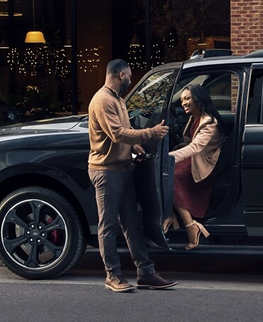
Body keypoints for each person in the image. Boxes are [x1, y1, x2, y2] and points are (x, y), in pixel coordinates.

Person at [88, 58, 177, 293]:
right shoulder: (104, 100)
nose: (130, 79)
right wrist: (150, 133)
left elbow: (121, 136)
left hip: (122, 168)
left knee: (132, 223)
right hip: (106, 171)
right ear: (120, 74)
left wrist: (134, 146)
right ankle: (112, 276)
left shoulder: (117, 99)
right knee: (108, 225)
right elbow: (117, 134)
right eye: (129, 75)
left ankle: (146, 272)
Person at [167, 84, 225, 250]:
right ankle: (170, 215)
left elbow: (196, 147)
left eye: (187, 98)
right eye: (182, 99)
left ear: (198, 99)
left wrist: (168, 157)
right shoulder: (194, 117)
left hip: (205, 165)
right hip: (194, 159)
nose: (183, 103)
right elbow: (188, 142)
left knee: (173, 178)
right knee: (165, 174)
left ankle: (191, 226)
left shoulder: (209, 122)